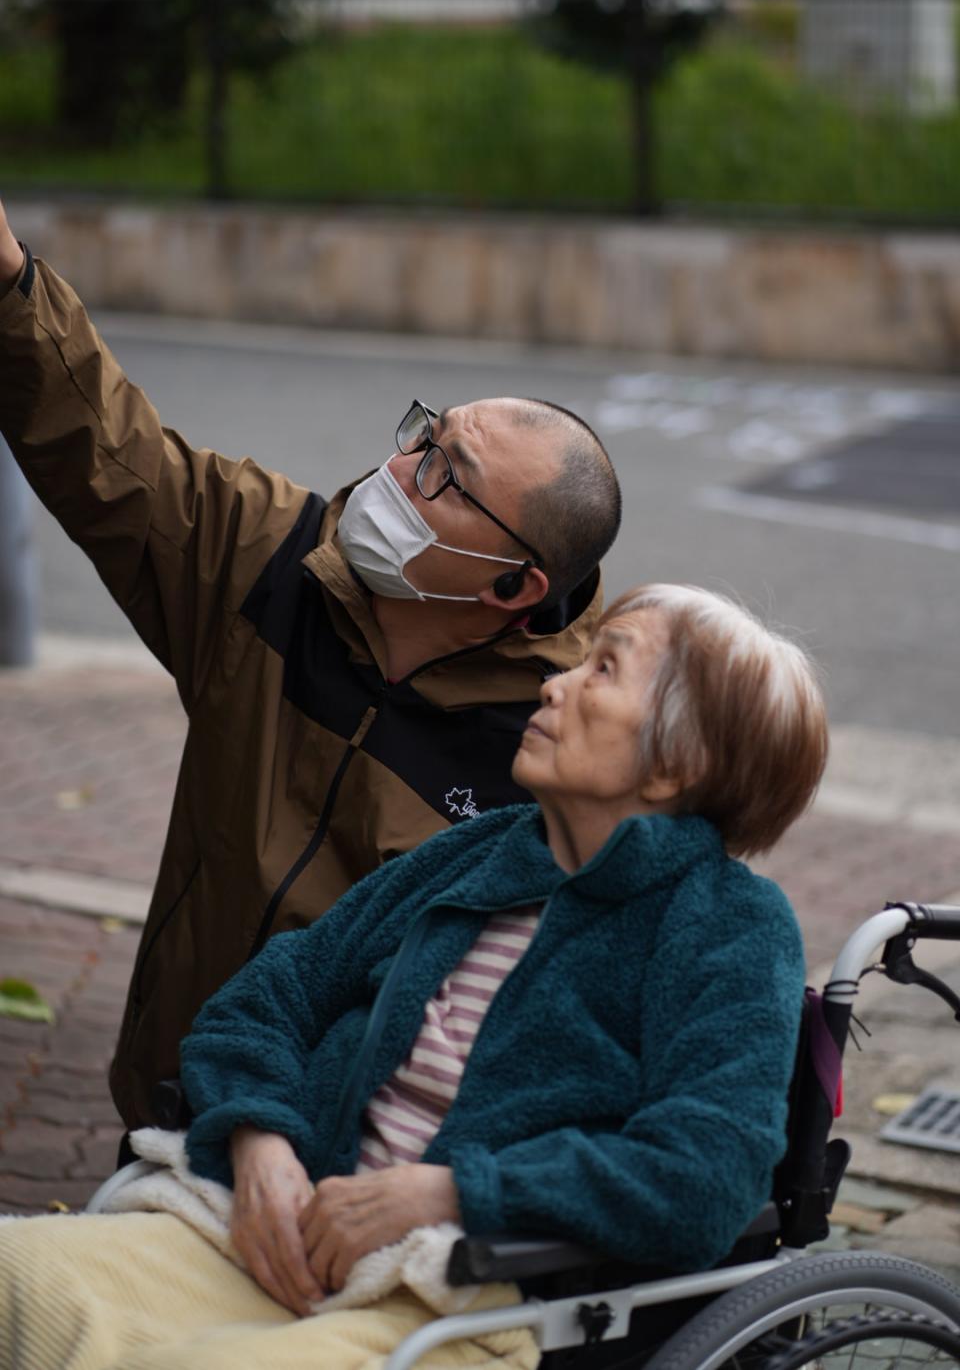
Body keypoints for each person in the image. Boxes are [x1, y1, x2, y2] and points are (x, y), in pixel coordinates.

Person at [0, 583, 828, 1370]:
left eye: (602, 669)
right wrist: (260, 1142)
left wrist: (449, 1194)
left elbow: (704, 1174)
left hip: (464, 1300)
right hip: (273, 1236)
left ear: (674, 765)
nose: (554, 683)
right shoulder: (485, 849)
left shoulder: (728, 926)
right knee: (13, 1275)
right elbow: (264, 1001)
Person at [0, 201, 622, 1130]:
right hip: (166, 1095)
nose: (397, 471)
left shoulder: (557, 741)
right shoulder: (271, 558)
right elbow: (109, 454)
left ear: (509, 588)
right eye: (425, 438)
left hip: (347, 1156)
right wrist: (10, 284)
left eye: (447, 478)